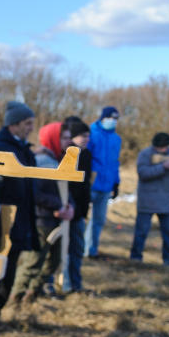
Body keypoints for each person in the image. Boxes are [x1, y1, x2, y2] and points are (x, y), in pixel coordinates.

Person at [0, 101, 39, 322]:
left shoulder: (22, 148)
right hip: (6, 220)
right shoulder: (3, 148)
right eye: (27, 123)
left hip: (20, 217)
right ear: (14, 124)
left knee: (10, 269)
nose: (31, 127)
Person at [7, 122, 73, 303]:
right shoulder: (42, 161)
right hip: (42, 220)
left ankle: (31, 294)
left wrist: (69, 206)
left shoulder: (58, 160)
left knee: (54, 261)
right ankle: (15, 297)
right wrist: (56, 207)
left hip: (58, 221)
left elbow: (65, 189)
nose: (69, 141)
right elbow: (35, 193)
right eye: (65, 137)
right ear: (53, 138)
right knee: (32, 262)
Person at [130, 132, 169, 266]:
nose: (163, 150)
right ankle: (136, 258)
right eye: (160, 148)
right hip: (148, 201)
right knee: (141, 232)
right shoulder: (145, 154)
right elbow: (143, 173)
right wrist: (163, 167)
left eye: (164, 148)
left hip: (168, 201)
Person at [60, 117, 94, 293]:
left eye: (88, 136)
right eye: (82, 136)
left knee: (78, 249)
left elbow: (85, 183)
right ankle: (65, 284)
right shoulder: (66, 154)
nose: (86, 139)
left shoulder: (87, 154)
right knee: (64, 250)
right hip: (67, 208)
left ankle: (76, 284)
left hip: (80, 210)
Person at [84, 106, 122, 259]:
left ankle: (91, 249)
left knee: (98, 219)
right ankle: (77, 247)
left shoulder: (116, 139)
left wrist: (116, 182)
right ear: (103, 118)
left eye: (115, 119)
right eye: (110, 118)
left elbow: (115, 162)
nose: (113, 121)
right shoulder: (91, 134)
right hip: (91, 183)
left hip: (106, 185)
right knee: (80, 217)